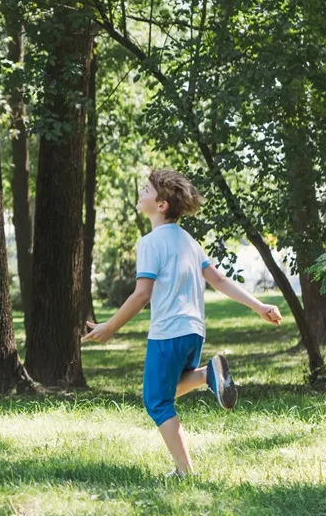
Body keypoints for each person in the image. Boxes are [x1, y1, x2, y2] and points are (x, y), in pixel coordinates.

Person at [82, 169, 283, 476]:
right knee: (166, 391)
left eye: (146, 190)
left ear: (161, 204)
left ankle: (185, 471)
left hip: (168, 333)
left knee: (156, 402)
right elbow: (218, 280)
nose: (141, 193)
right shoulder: (188, 240)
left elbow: (141, 295)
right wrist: (258, 306)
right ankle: (207, 375)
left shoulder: (150, 243)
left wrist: (110, 326)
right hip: (194, 332)